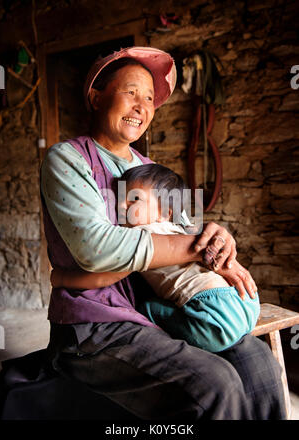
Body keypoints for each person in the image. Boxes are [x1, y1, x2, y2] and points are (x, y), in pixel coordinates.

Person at [41, 46, 286, 420]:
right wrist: (192, 247)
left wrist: (219, 240)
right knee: (215, 384)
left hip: (156, 311)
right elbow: (98, 248)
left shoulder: (150, 168)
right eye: (131, 92)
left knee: (260, 367)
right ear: (95, 96)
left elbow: (187, 231)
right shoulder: (67, 159)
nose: (142, 105)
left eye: (150, 98)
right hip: (94, 326)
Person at [51, 163, 261, 354]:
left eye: (134, 199)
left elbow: (103, 278)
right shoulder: (183, 228)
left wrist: (61, 279)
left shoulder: (141, 235)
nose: (122, 207)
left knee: (146, 308)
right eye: (121, 200)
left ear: (165, 213)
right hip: (247, 301)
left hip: (212, 318)